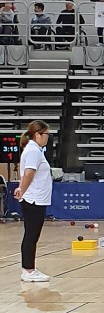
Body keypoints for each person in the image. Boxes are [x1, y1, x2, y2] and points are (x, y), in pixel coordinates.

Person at [14, 120, 52, 282]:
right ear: (38, 134)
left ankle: (29, 268)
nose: (48, 137)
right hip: (33, 199)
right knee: (31, 234)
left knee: (32, 234)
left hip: (38, 199)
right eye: (46, 134)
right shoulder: (33, 151)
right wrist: (21, 190)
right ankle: (28, 270)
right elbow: (29, 173)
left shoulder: (35, 150)